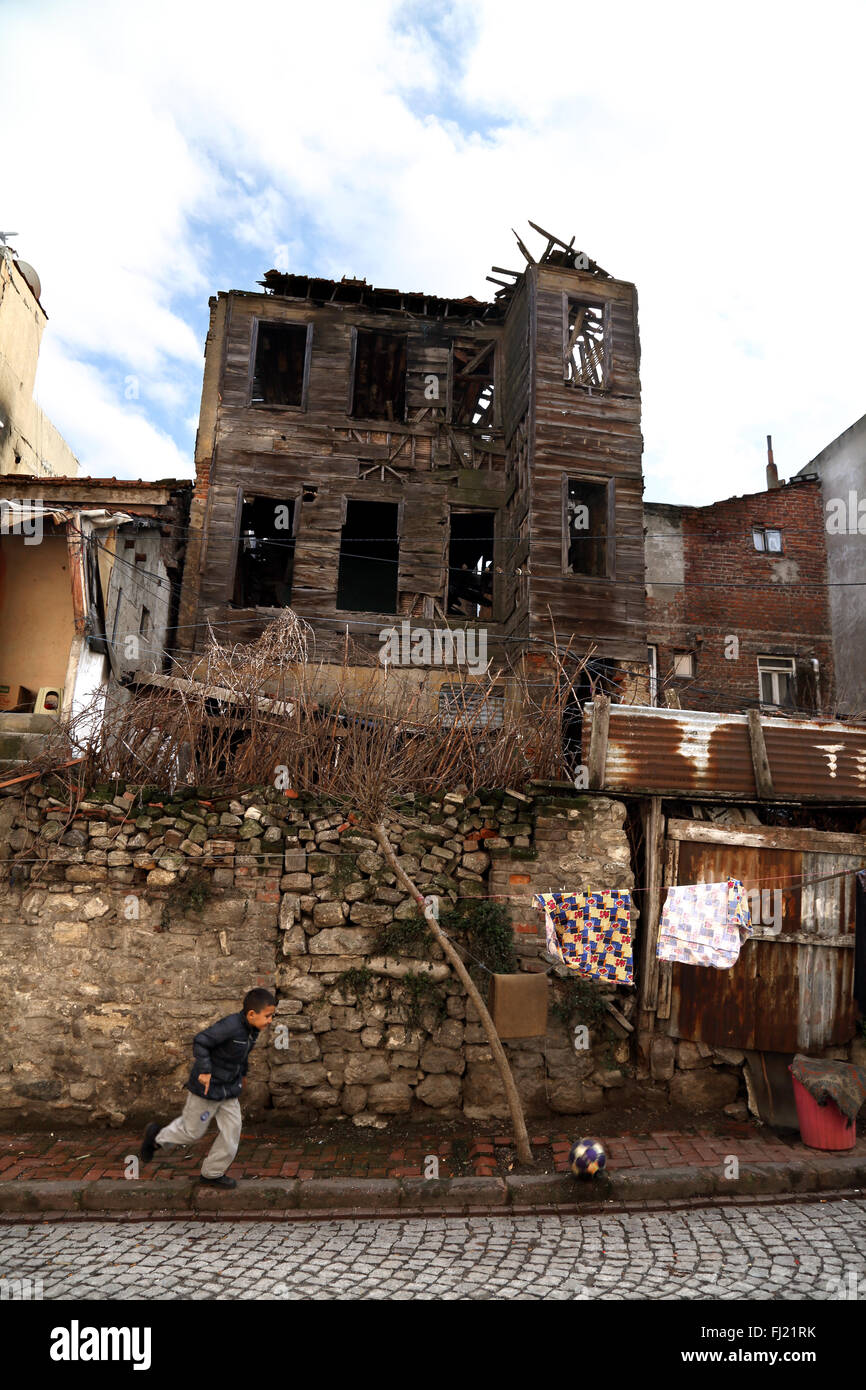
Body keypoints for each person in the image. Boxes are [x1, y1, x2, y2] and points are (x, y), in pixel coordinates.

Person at [139, 987, 276, 1189]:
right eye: (268, 1016)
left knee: (233, 1130)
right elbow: (201, 1041)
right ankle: (157, 1138)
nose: (270, 1021)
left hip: (228, 1090)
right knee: (192, 1132)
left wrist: (243, 1076)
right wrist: (204, 1070)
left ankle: (212, 1173)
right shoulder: (229, 1026)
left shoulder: (252, 1030)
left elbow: (241, 1056)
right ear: (251, 1014)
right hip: (207, 1089)